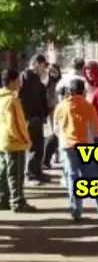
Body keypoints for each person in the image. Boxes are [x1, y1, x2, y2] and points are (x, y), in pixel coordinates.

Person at [54, 79, 98, 221]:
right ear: (83, 91)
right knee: (92, 178)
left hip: (67, 146)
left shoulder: (61, 107)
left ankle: (76, 211)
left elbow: (56, 128)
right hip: (85, 146)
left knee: (72, 178)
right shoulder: (88, 107)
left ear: (69, 91)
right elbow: (95, 129)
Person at [0, 68, 37, 212]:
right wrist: (25, 140)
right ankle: (18, 202)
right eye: (18, 81)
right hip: (14, 142)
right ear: (11, 81)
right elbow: (15, 124)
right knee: (16, 174)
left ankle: (3, 199)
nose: (20, 84)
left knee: (4, 172)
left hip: (3, 140)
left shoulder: (2, 98)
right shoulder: (12, 100)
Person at [18, 54, 49, 185]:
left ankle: (37, 171)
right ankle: (30, 174)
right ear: (36, 63)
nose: (44, 69)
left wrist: (43, 114)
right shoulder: (24, 76)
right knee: (32, 147)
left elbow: (41, 96)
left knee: (39, 145)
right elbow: (21, 97)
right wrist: (26, 116)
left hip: (37, 116)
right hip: (29, 117)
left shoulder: (37, 78)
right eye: (43, 66)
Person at [43, 63, 62, 169]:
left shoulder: (61, 82)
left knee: (58, 133)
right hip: (52, 110)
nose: (52, 73)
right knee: (54, 132)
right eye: (51, 71)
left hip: (61, 110)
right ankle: (52, 156)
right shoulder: (47, 83)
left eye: (54, 71)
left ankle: (56, 155)